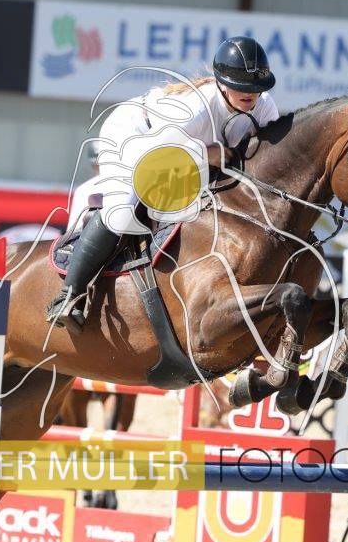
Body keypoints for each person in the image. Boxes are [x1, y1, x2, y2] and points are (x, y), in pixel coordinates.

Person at [47, 36, 280, 329]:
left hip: (185, 149)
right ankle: (69, 295)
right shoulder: (194, 109)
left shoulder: (264, 106)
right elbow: (155, 159)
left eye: (257, 87)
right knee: (123, 211)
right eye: (242, 86)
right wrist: (205, 153)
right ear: (222, 83)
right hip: (135, 136)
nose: (251, 94)